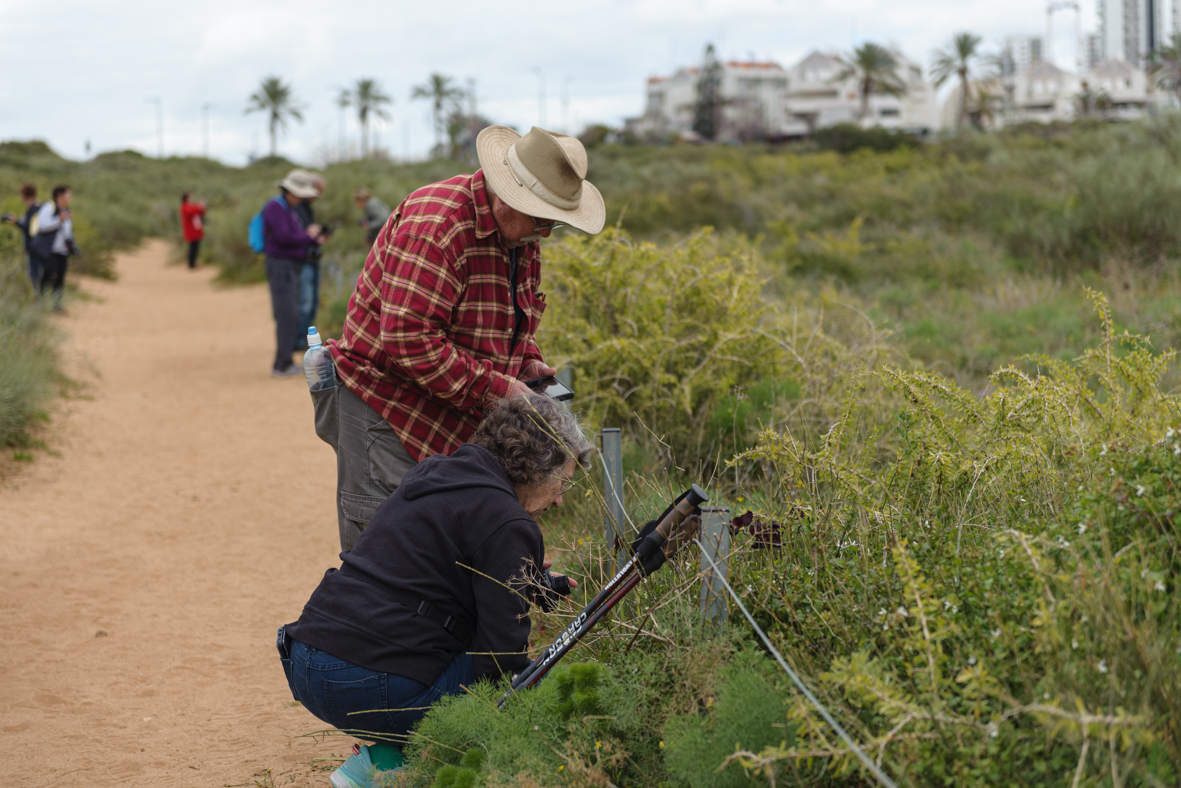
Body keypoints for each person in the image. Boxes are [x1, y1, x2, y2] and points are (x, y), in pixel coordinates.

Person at [279, 394, 592, 788]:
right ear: (535, 468)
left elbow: (427, 580)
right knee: (514, 687)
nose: (560, 499)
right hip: (362, 684)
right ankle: (382, 765)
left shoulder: (437, 473)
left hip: (307, 659)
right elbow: (501, 659)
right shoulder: (507, 522)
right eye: (561, 482)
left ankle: (385, 758)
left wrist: (523, 583)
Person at [317, 126, 605, 550]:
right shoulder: (437, 226)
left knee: (439, 557)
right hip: (385, 409)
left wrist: (528, 362)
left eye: (553, 224)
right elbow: (409, 339)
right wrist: (501, 388)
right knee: (386, 559)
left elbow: (512, 321)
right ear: (508, 196)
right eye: (541, 219)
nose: (544, 233)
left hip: (445, 412)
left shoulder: (520, 237)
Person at [264, 169, 325, 377]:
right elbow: (283, 237)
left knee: (291, 312)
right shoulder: (276, 207)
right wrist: (307, 237)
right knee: (287, 313)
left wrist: (309, 238)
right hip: (281, 266)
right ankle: (281, 364)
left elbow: (289, 236)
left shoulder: (286, 207)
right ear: (291, 191)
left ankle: (286, 360)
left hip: (288, 266)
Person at [293, 172, 327, 351]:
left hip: (312, 258)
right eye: (318, 190)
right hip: (303, 260)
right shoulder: (298, 207)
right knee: (305, 303)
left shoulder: (307, 208)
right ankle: (298, 340)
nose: (318, 195)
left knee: (312, 302)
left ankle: (305, 339)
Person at [32, 185, 75, 313]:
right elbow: (42, 227)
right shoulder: (49, 208)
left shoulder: (66, 210)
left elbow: (67, 231)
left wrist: (72, 244)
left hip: (62, 251)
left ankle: (57, 305)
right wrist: (58, 220)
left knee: (60, 277)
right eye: (68, 195)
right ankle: (40, 300)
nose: (70, 198)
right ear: (59, 196)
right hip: (50, 250)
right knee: (50, 273)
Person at [0, 183, 42, 284]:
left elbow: (29, 229)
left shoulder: (34, 209)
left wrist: (15, 222)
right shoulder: (36, 207)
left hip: (34, 247)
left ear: (27, 196)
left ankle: (39, 298)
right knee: (36, 274)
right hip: (36, 246)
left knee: (34, 275)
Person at [179, 193, 207, 269]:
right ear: (187, 198)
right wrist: (200, 205)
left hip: (195, 229)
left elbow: (200, 212)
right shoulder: (185, 207)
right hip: (191, 230)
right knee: (193, 247)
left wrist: (202, 206)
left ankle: (193, 263)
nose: (192, 198)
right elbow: (193, 211)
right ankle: (191, 264)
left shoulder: (190, 206)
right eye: (190, 197)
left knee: (195, 247)